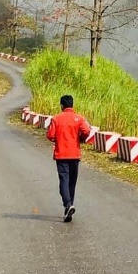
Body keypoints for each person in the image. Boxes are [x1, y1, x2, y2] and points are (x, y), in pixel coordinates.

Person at [45, 94, 92, 222]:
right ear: (72, 105)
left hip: (61, 154)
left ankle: (68, 204)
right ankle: (69, 207)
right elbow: (87, 131)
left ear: (62, 105)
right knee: (72, 181)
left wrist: (57, 138)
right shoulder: (79, 118)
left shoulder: (56, 119)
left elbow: (50, 135)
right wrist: (81, 138)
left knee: (63, 180)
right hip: (75, 154)